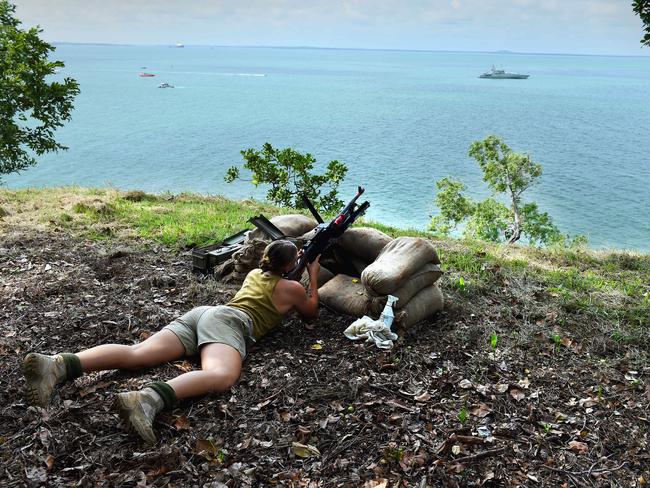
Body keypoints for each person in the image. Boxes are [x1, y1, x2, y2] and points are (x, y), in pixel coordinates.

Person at [22, 240, 320, 444]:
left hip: (205, 314)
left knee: (138, 353)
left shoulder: (255, 273)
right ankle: (146, 400)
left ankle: (58, 364)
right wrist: (313, 276)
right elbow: (311, 314)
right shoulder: (292, 287)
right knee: (222, 375)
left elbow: (273, 286)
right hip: (230, 323)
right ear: (292, 264)